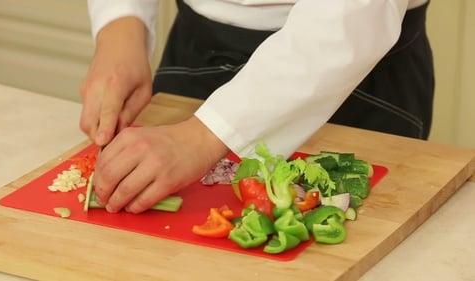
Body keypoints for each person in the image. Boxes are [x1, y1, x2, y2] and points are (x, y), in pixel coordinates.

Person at [80, 0, 434, 214]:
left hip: (348, 67)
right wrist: (120, 26)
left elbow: (355, 11)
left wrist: (202, 138)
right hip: (196, 44)